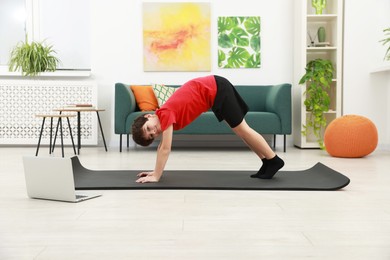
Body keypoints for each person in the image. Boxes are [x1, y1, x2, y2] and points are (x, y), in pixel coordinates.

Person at [132, 75, 284, 183]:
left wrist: (157, 176)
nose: (154, 132)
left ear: (148, 116)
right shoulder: (164, 116)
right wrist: (155, 171)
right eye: (151, 136)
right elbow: (161, 146)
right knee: (239, 131)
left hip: (217, 89)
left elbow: (165, 148)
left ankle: (274, 160)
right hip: (214, 91)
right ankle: (266, 161)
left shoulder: (164, 114)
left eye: (149, 129)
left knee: (243, 129)